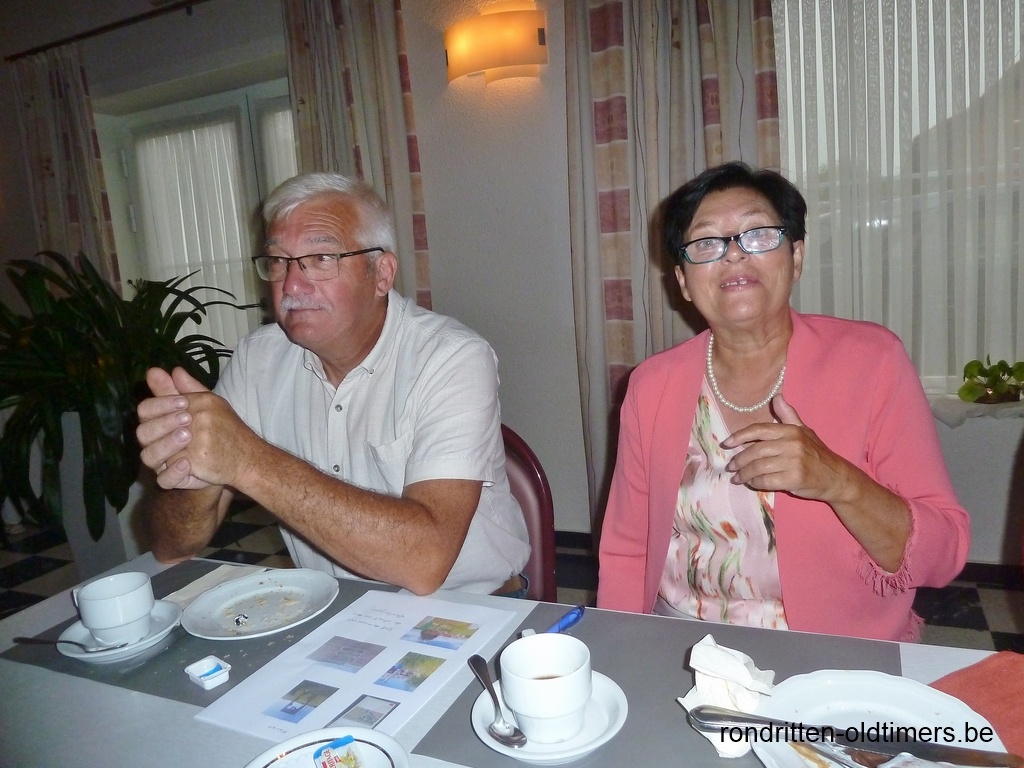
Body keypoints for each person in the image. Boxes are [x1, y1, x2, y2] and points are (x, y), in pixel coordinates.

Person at [597, 162, 969, 641]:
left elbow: (944, 554)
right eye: (706, 242)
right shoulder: (652, 385)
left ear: (795, 257)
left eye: (757, 235)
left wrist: (837, 480)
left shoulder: (873, 362)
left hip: (832, 650)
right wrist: (620, 648)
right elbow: (628, 548)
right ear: (684, 281)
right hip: (681, 641)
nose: (733, 254)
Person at [136, 172, 530, 596]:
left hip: (473, 609)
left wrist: (247, 459)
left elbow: (425, 562)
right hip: (335, 609)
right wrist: (193, 468)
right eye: (278, 261)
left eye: (321, 258)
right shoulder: (257, 359)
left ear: (382, 274)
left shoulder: (451, 357)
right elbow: (173, 548)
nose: (291, 284)